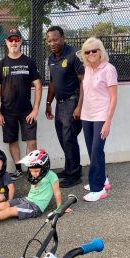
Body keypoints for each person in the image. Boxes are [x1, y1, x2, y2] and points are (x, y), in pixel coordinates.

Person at [0, 149, 66, 227]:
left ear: (45, 167)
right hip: (26, 199)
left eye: (36, 171)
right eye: (31, 170)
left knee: (10, 211)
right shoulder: (34, 174)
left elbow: (57, 192)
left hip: (35, 207)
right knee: (5, 204)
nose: (33, 173)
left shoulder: (52, 176)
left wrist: (60, 208)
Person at [0, 28, 42, 180]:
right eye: (10, 40)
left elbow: (38, 86)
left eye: (16, 39)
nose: (14, 42)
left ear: (21, 41)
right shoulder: (1, 65)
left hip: (26, 111)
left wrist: (35, 110)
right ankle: (19, 169)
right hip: (7, 111)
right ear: (6, 42)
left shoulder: (29, 62)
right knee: (12, 140)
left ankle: (32, 171)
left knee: (32, 142)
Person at [45, 26, 84, 188]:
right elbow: (53, 83)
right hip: (60, 104)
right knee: (63, 138)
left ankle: (74, 175)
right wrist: (48, 104)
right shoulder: (51, 59)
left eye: (55, 39)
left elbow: (84, 82)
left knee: (69, 139)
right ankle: (70, 169)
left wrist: (79, 107)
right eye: (49, 40)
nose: (52, 43)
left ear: (63, 38)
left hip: (72, 102)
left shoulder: (73, 54)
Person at [80, 37, 117, 202]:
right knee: (92, 150)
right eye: (87, 52)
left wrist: (108, 121)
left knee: (96, 150)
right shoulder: (87, 69)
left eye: (94, 50)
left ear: (100, 51)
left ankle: (98, 189)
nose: (91, 54)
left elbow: (114, 98)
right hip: (86, 115)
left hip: (102, 115)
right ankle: (103, 179)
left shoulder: (108, 69)